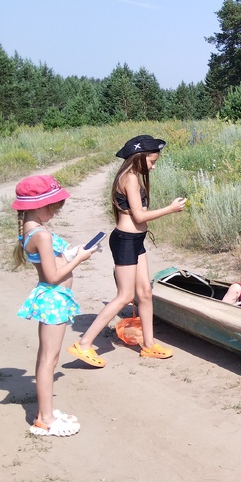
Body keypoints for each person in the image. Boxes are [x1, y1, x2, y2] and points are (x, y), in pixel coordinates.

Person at [67, 135, 187, 366]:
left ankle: (149, 345)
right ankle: (83, 344)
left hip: (136, 239)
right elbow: (139, 216)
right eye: (151, 161)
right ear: (140, 158)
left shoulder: (132, 177)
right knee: (124, 296)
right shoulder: (130, 179)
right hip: (125, 241)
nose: (153, 166)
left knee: (145, 293)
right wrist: (170, 209)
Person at [13, 174, 98, 436]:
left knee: (46, 358)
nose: (56, 211)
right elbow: (52, 276)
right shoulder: (42, 234)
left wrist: (71, 254)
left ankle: (44, 412)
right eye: (53, 206)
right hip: (54, 299)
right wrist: (80, 259)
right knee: (49, 360)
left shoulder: (28, 229)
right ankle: (46, 419)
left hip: (50, 299)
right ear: (39, 206)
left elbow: (51, 262)